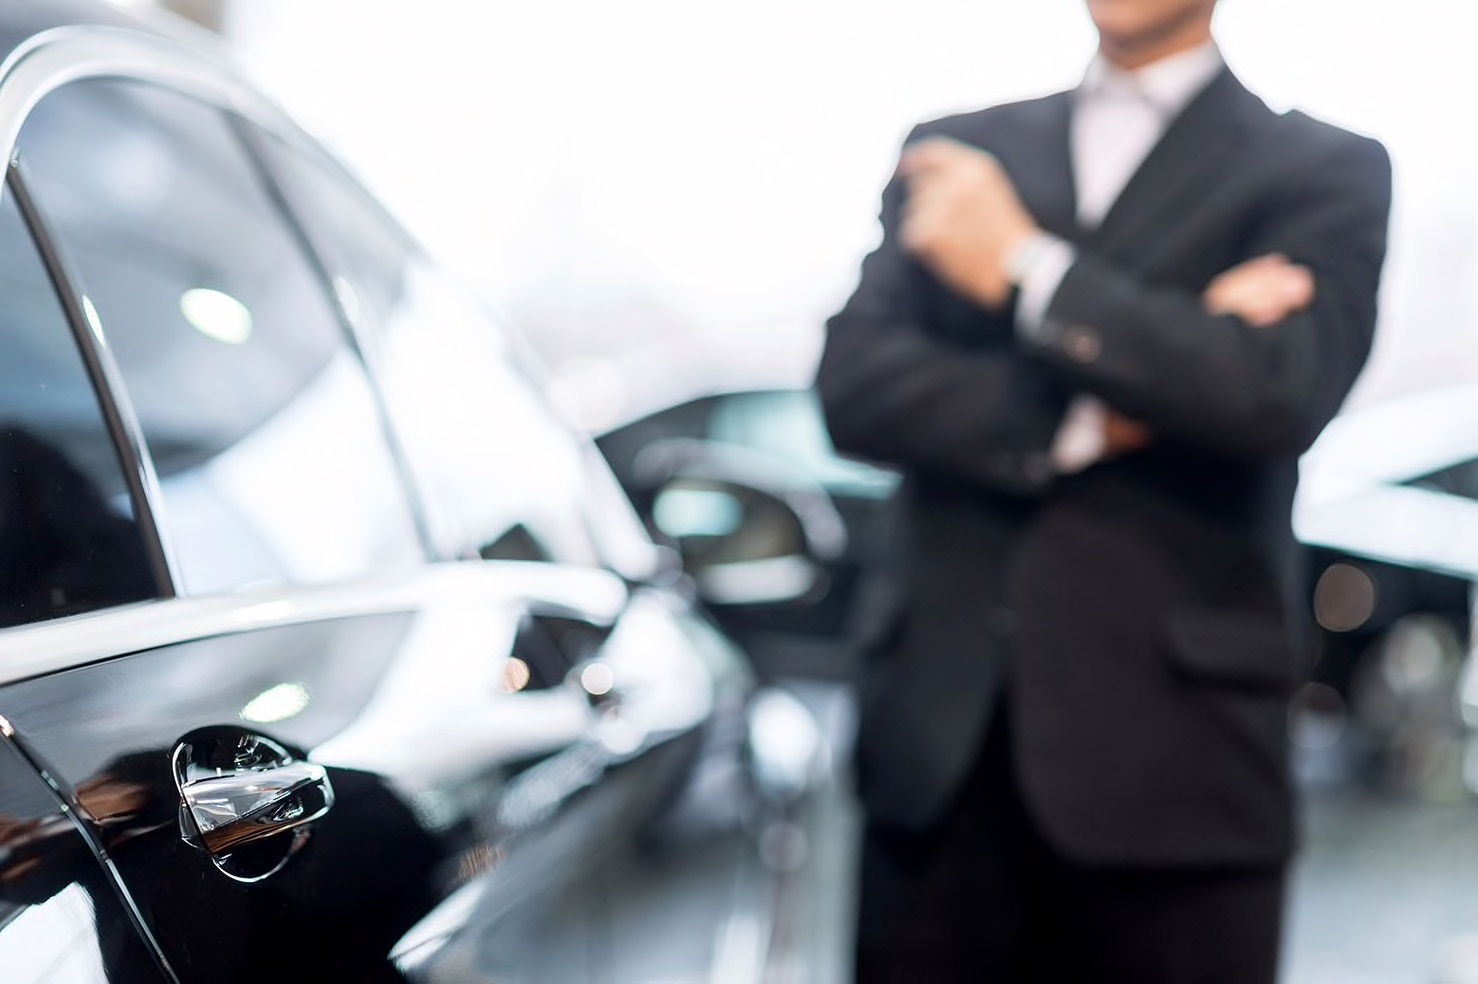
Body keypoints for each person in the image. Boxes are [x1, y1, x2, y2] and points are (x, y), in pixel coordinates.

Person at [815, 0, 1393, 980]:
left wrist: (1020, 263)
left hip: (1178, 782)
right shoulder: (954, 153)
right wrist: (1117, 397)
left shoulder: (1321, 169)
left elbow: (1268, 393)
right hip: (938, 761)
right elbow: (856, 390)